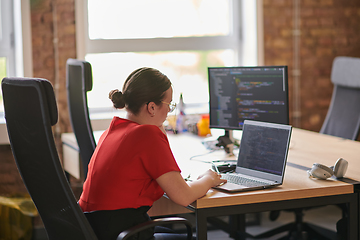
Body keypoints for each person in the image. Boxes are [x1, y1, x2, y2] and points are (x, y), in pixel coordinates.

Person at [78, 67, 226, 240]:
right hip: (122, 233)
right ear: (152, 107)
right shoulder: (146, 135)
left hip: (94, 229)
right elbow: (183, 196)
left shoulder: (113, 131)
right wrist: (209, 179)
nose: (169, 112)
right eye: (169, 105)